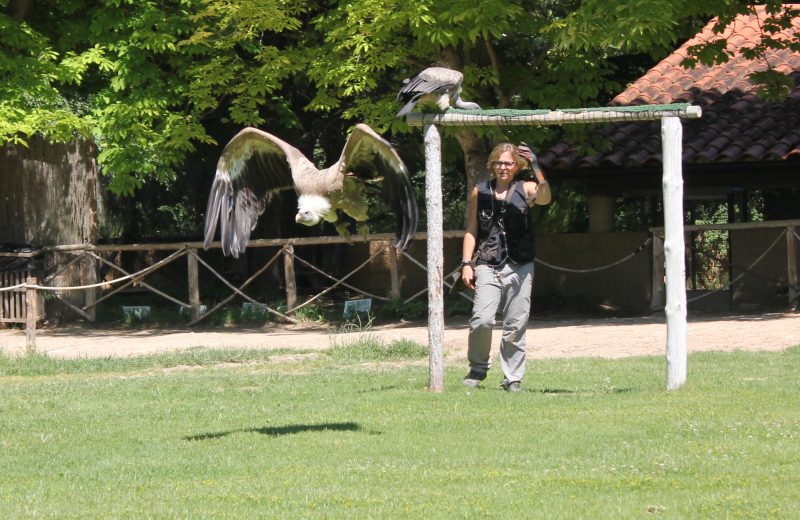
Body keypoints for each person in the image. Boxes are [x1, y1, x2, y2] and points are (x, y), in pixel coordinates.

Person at [460, 142, 551, 392]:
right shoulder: (480, 191)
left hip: (521, 264)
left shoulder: (526, 188)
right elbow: (471, 230)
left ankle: (513, 378)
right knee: (482, 319)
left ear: (516, 166)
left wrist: (535, 165)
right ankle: (477, 368)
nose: (503, 167)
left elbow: (544, 197)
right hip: (488, 262)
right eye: (499, 162)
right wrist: (466, 263)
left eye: (508, 163)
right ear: (492, 164)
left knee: (515, 323)